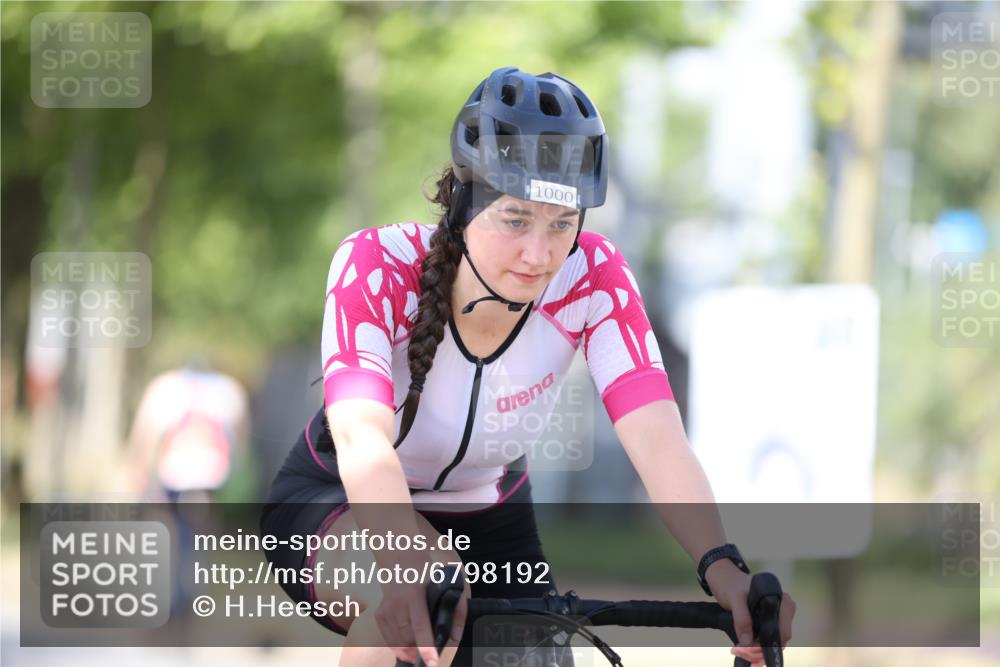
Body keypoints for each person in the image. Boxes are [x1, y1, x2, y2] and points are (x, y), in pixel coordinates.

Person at [261, 66, 794, 667]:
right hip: (342, 498)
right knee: (404, 608)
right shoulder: (377, 264)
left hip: (491, 511)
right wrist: (406, 561)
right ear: (464, 201)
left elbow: (658, 438)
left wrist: (721, 567)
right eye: (515, 219)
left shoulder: (593, 275)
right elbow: (363, 438)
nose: (539, 255)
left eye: (562, 224)